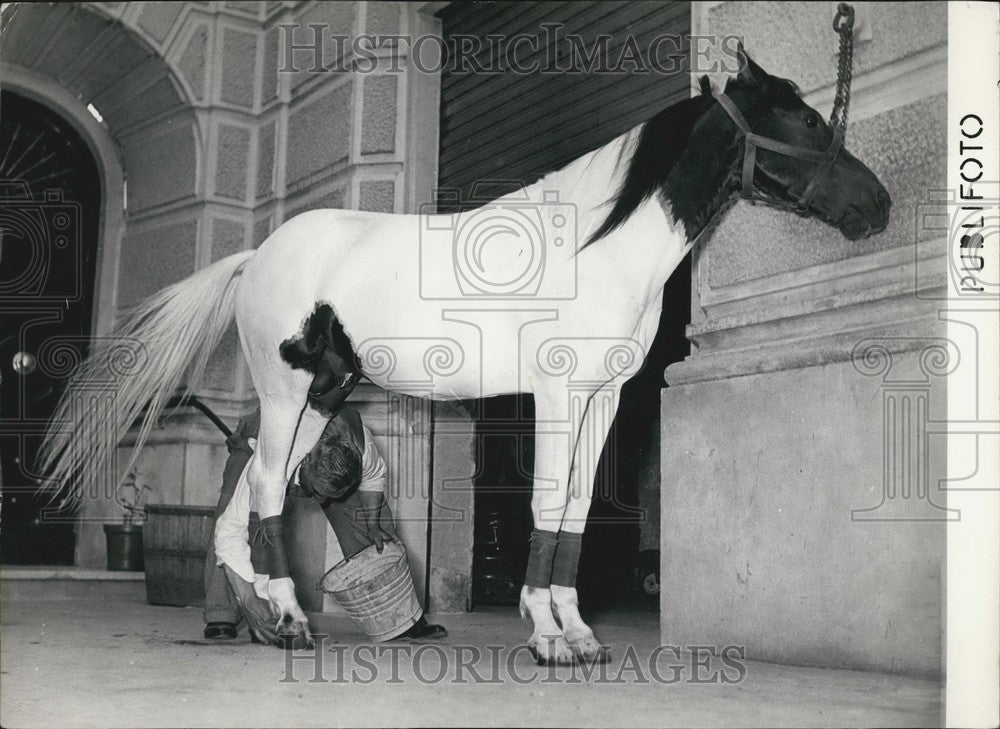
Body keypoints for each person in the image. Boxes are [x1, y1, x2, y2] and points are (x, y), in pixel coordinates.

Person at [202, 406, 446, 643]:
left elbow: (373, 476)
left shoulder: (359, 443)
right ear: (306, 463)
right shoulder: (268, 461)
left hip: (316, 461)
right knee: (246, 522)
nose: (323, 501)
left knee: (376, 530)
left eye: (331, 495)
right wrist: (248, 600)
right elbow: (229, 531)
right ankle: (223, 612)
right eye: (319, 492)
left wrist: (372, 525)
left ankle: (401, 617)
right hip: (260, 442)